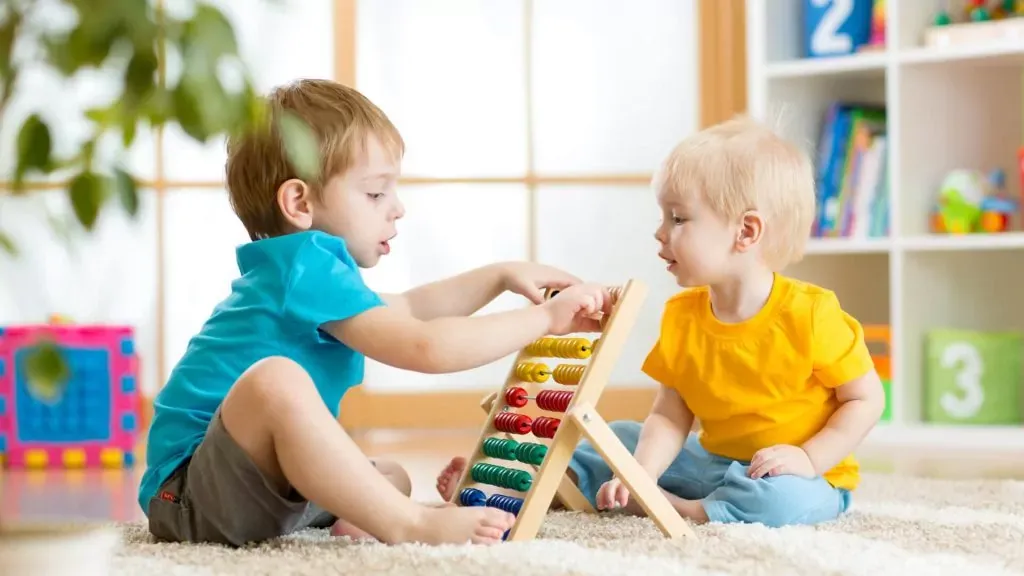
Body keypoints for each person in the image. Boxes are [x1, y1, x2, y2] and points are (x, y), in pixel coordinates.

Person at [139, 78, 612, 548]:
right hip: (186, 494)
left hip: (253, 489)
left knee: (388, 477)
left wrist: (498, 276)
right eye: (375, 194)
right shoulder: (303, 269)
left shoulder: (306, 273)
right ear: (299, 202)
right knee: (275, 380)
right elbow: (424, 346)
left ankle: (365, 517)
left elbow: (411, 308)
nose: (397, 209)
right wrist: (546, 320)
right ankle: (412, 525)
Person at [437, 115, 886, 529]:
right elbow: (671, 414)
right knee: (622, 437)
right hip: (708, 460)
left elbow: (865, 399)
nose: (659, 231)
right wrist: (642, 471)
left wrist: (808, 458)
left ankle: (687, 509)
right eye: (662, 216)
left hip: (791, 473)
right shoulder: (682, 315)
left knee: (783, 502)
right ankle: (545, 480)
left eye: (678, 218)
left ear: (745, 232)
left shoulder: (811, 314)